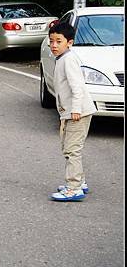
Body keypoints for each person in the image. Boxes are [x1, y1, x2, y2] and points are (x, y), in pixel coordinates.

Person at [49, 21, 96, 202]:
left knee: (72, 150)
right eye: (51, 41)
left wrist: (75, 110)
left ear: (69, 42)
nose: (54, 45)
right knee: (69, 148)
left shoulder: (69, 59)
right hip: (69, 112)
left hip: (78, 113)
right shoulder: (62, 58)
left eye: (58, 41)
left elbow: (77, 87)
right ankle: (80, 182)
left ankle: (73, 187)